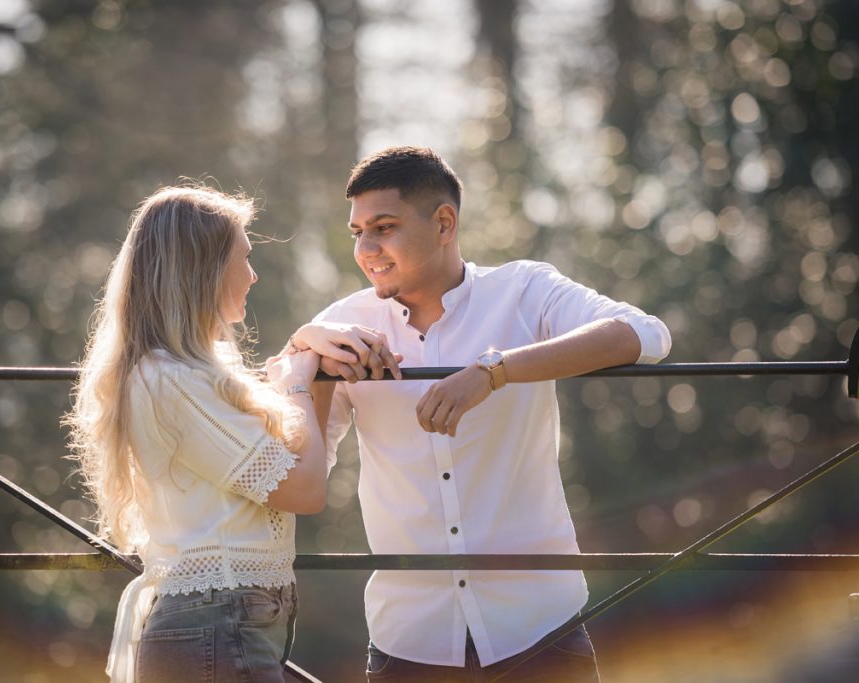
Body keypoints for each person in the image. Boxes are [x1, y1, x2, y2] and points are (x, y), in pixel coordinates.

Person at [281, 147, 672, 682]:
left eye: (384, 227)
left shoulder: (523, 290)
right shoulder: (342, 326)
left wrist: (494, 370)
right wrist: (305, 350)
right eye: (357, 233)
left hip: (539, 629)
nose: (367, 249)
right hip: (409, 642)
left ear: (444, 223)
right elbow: (299, 470)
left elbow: (645, 333)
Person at [64, 184, 397, 683]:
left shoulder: (194, 375)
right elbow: (305, 491)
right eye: (244, 257)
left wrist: (307, 363)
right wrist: (298, 383)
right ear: (205, 270)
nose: (254, 274)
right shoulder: (170, 381)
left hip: (228, 624)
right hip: (215, 626)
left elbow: (300, 463)